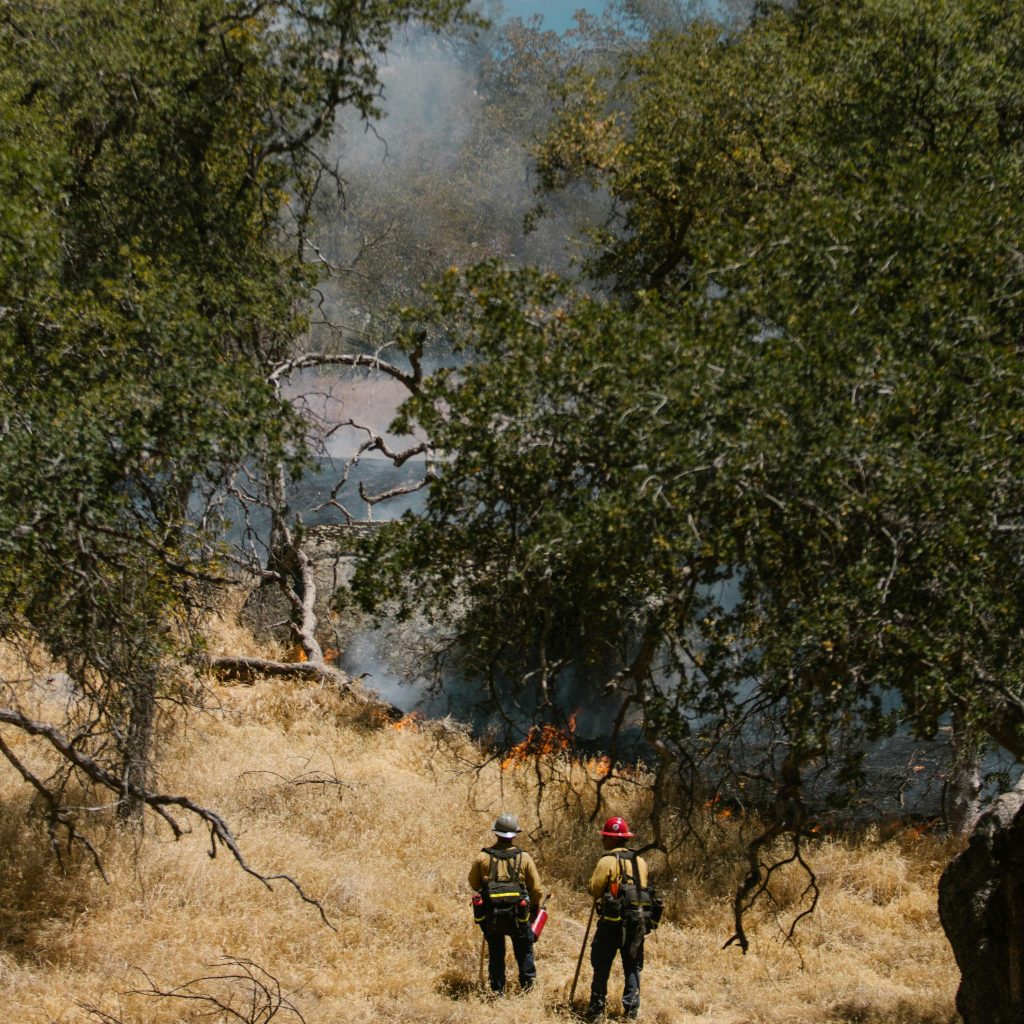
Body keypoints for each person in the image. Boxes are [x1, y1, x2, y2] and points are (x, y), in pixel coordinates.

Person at [586, 816, 654, 1020]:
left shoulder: (607, 861)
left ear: (610, 839)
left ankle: (597, 1010)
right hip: (636, 923)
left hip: (611, 924)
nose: (603, 841)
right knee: (632, 966)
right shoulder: (640, 861)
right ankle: (631, 1011)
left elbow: (594, 889)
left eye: (605, 837)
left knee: (601, 965)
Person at [468, 812, 543, 995]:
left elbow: (474, 883)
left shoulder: (483, 857)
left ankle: (497, 992)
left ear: (496, 833)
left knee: (496, 954)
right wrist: (534, 909)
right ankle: (528, 991)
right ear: (515, 835)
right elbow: (537, 889)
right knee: (524, 952)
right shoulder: (524, 858)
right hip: (520, 916)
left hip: (492, 917)